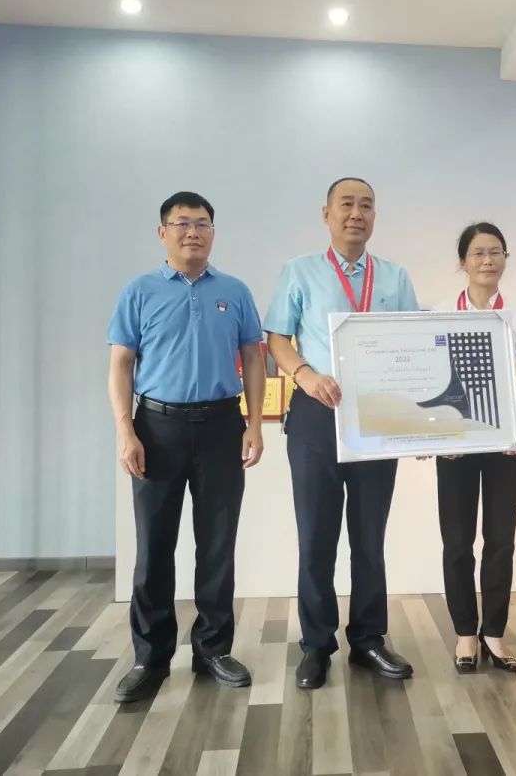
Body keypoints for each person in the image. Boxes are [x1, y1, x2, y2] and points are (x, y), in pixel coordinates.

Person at [107, 191, 265, 702]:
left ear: (213, 233)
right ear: (163, 233)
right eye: (181, 223)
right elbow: (120, 364)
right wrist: (126, 431)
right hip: (157, 428)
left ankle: (213, 650)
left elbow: (254, 357)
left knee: (217, 545)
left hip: (222, 426)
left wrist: (254, 424)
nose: (192, 232)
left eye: (202, 224)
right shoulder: (139, 291)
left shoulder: (234, 291)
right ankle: (150, 657)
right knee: (154, 546)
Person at [264, 177, 419, 690]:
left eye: (366, 205)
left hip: (379, 417)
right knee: (316, 536)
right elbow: (278, 338)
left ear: (375, 216)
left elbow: (411, 345)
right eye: (346, 204)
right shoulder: (299, 271)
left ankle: (369, 639)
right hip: (315, 414)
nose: (357, 213)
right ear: (326, 214)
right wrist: (305, 375)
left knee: (369, 537)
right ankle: (316, 644)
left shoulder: (394, 276)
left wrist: (418, 424)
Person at [433, 223, 516, 674]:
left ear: (504, 259)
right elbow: (429, 379)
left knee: (500, 540)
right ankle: (465, 632)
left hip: (505, 443)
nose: (487, 260)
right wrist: (438, 435)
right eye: (478, 253)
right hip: (456, 442)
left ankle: (493, 632)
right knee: (458, 541)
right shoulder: (441, 312)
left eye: (496, 252)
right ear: (463, 261)